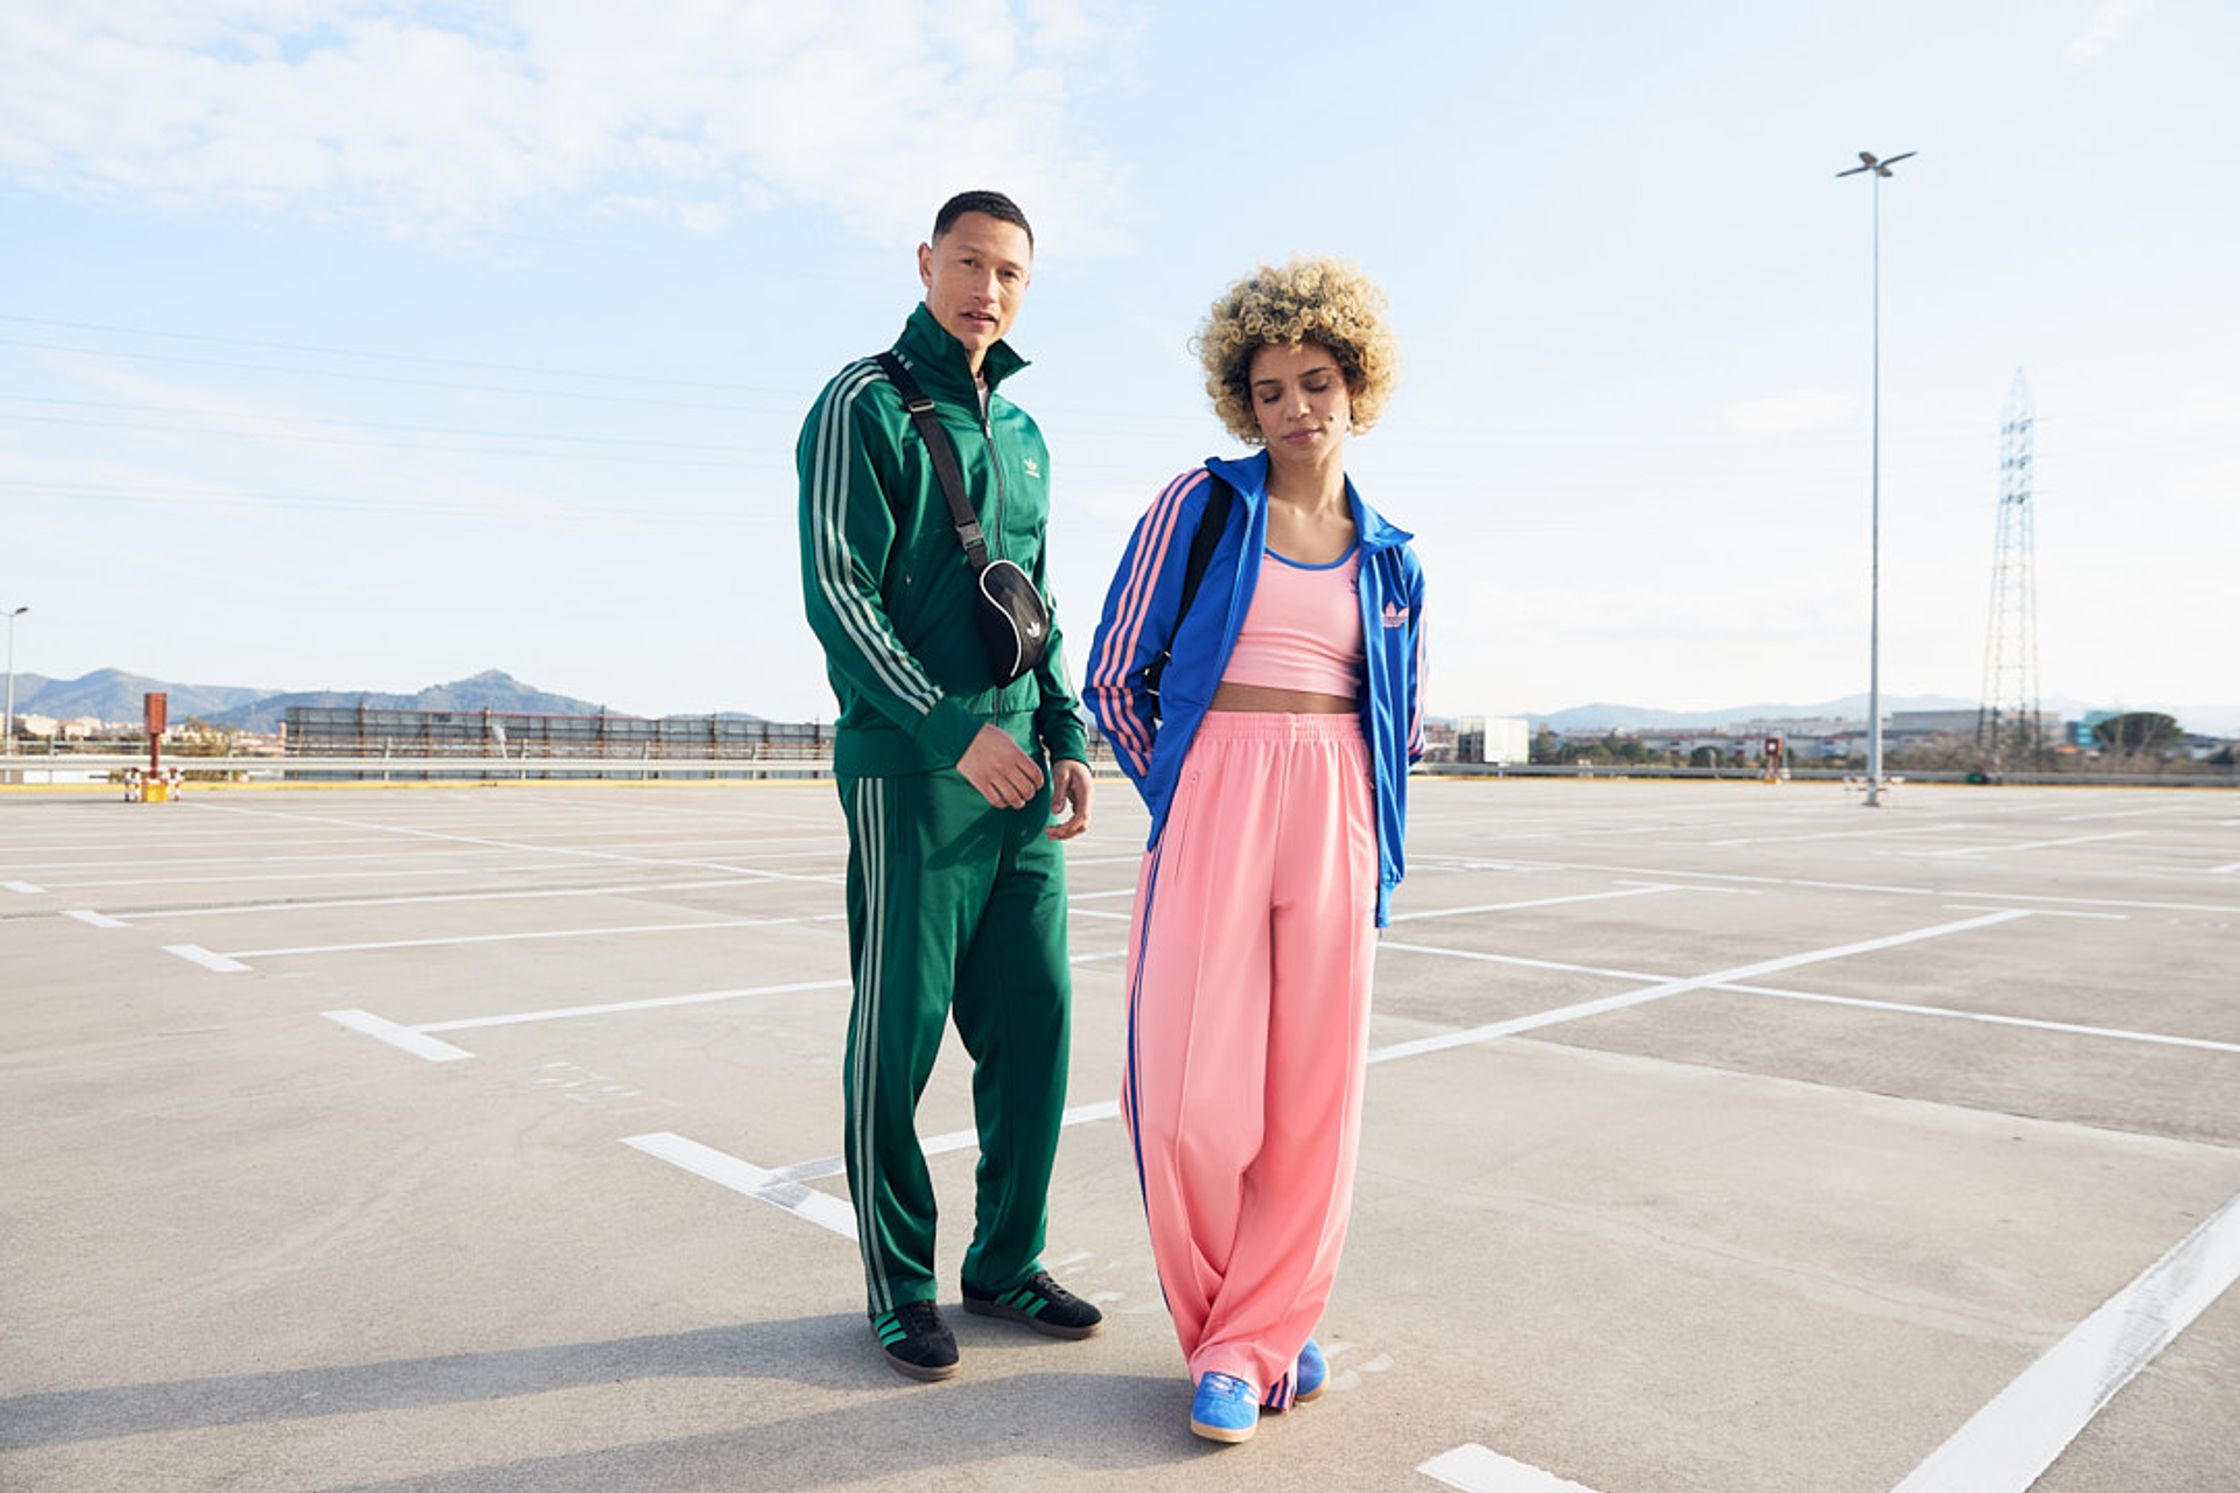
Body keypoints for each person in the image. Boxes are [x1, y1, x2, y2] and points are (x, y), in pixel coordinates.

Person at [1085, 255, 1425, 1444]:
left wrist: (1374, 842)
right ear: (1244, 401)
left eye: (1316, 382)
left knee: (1310, 1098)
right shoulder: (1201, 506)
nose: (1295, 407)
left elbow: (1399, 722)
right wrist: (1183, 791)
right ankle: (1234, 1320)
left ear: (1354, 385)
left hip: (1335, 806)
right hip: (1215, 794)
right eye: (1270, 389)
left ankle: (1253, 1336)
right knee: (1184, 1098)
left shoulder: (1391, 555)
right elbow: (1114, 674)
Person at [795, 190, 1101, 1382]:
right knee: (900, 1030)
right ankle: (899, 1283)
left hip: (1019, 766)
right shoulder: (859, 404)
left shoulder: (1022, 432)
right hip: (913, 768)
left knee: (1035, 1021)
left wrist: (1065, 726)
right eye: (969, 263)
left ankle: (1007, 1260)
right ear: (926, 263)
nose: (987, 289)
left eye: (1010, 273)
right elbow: (839, 591)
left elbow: (1035, 598)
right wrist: (945, 726)